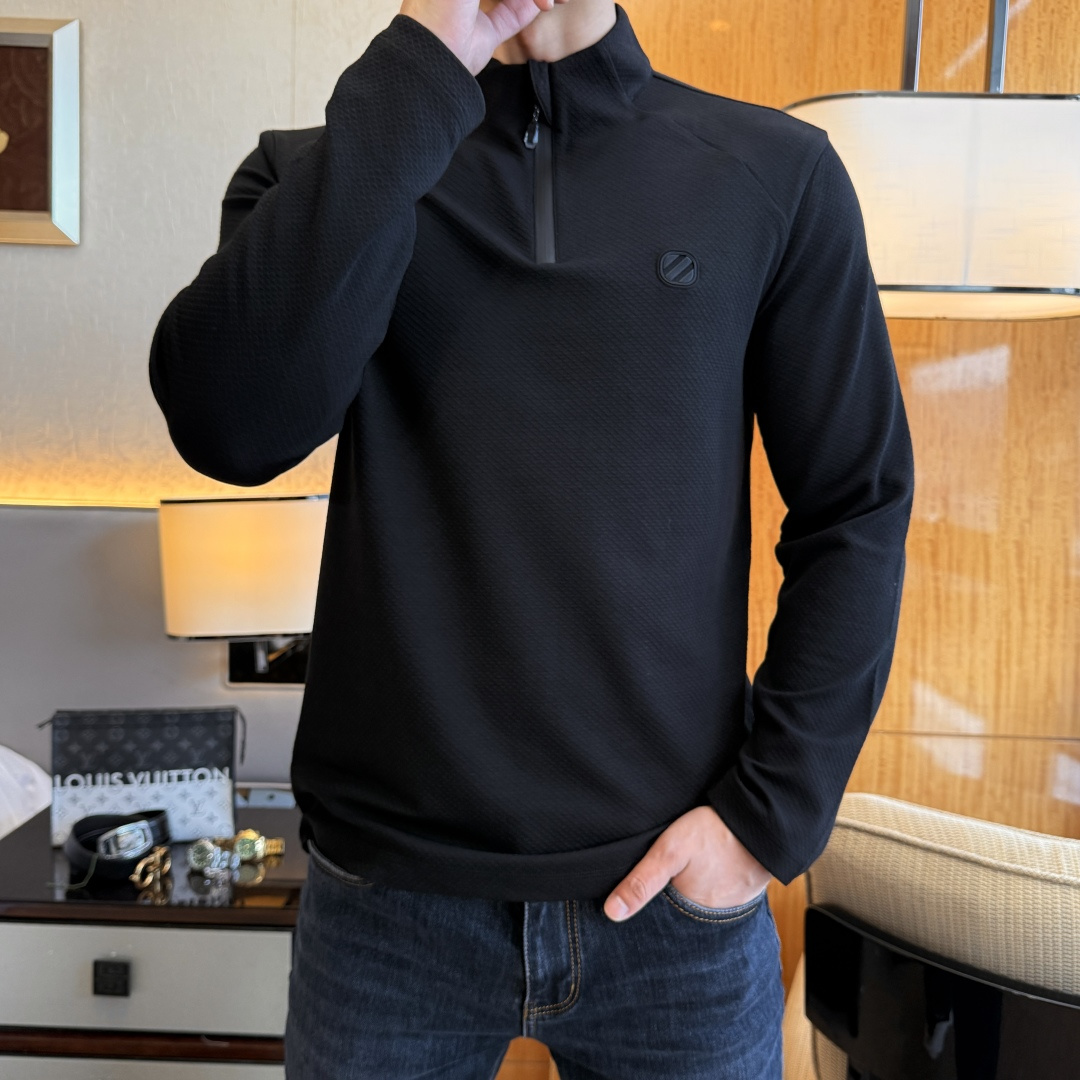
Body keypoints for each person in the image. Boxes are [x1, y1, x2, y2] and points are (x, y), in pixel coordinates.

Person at [147, 0, 915, 1075]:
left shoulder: (776, 175)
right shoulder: (322, 171)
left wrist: (766, 818)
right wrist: (426, 63)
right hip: (385, 912)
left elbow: (856, 503)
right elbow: (232, 430)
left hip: (673, 913)